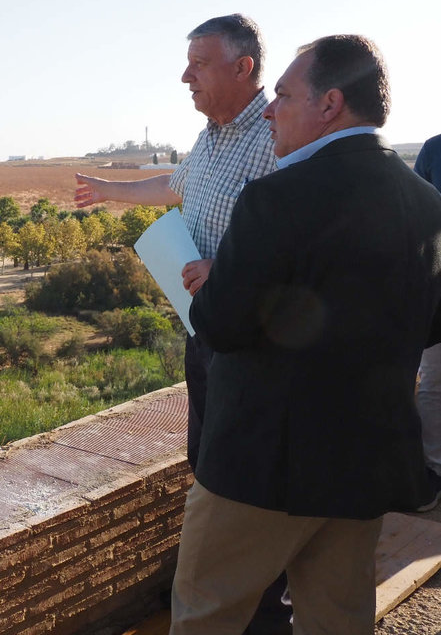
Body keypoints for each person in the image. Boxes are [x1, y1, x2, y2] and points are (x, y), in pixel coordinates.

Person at [170, 35, 441, 635]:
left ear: (330, 104)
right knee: (337, 620)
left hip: (259, 467)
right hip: (363, 466)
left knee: (205, 615)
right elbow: (431, 323)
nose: (270, 108)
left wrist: (216, 281)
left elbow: (219, 325)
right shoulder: (427, 203)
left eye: (285, 95)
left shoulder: (274, 199)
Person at [74, 14, 277, 470]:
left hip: (253, 340)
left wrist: (226, 272)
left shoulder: (278, 137)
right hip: (203, 327)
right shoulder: (209, 137)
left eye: (199, 64)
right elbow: (175, 185)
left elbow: (306, 236)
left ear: (242, 68)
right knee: (205, 453)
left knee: (243, 459)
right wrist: (108, 190)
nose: (186, 77)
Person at [414, 134, 441, 510]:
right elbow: (417, 214)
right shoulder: (435, 149)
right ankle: (435, 470)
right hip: (438, 284)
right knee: (433, 381)